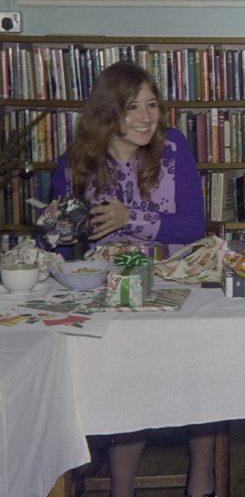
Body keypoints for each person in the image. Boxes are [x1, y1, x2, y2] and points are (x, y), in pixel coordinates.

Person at [52, 61, 215, 497]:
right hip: (112, 291)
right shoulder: (75, 162)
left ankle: (203, 470)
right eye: (132, 108)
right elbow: (61, 248)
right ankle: (122, 488)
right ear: (107, 114)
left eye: (152, 105)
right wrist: (56, 230)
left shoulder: (174, 147)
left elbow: (193, 227)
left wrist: (132, 218)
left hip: (175, 280)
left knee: (202, 368)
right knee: (128, 379)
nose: (146, 117)